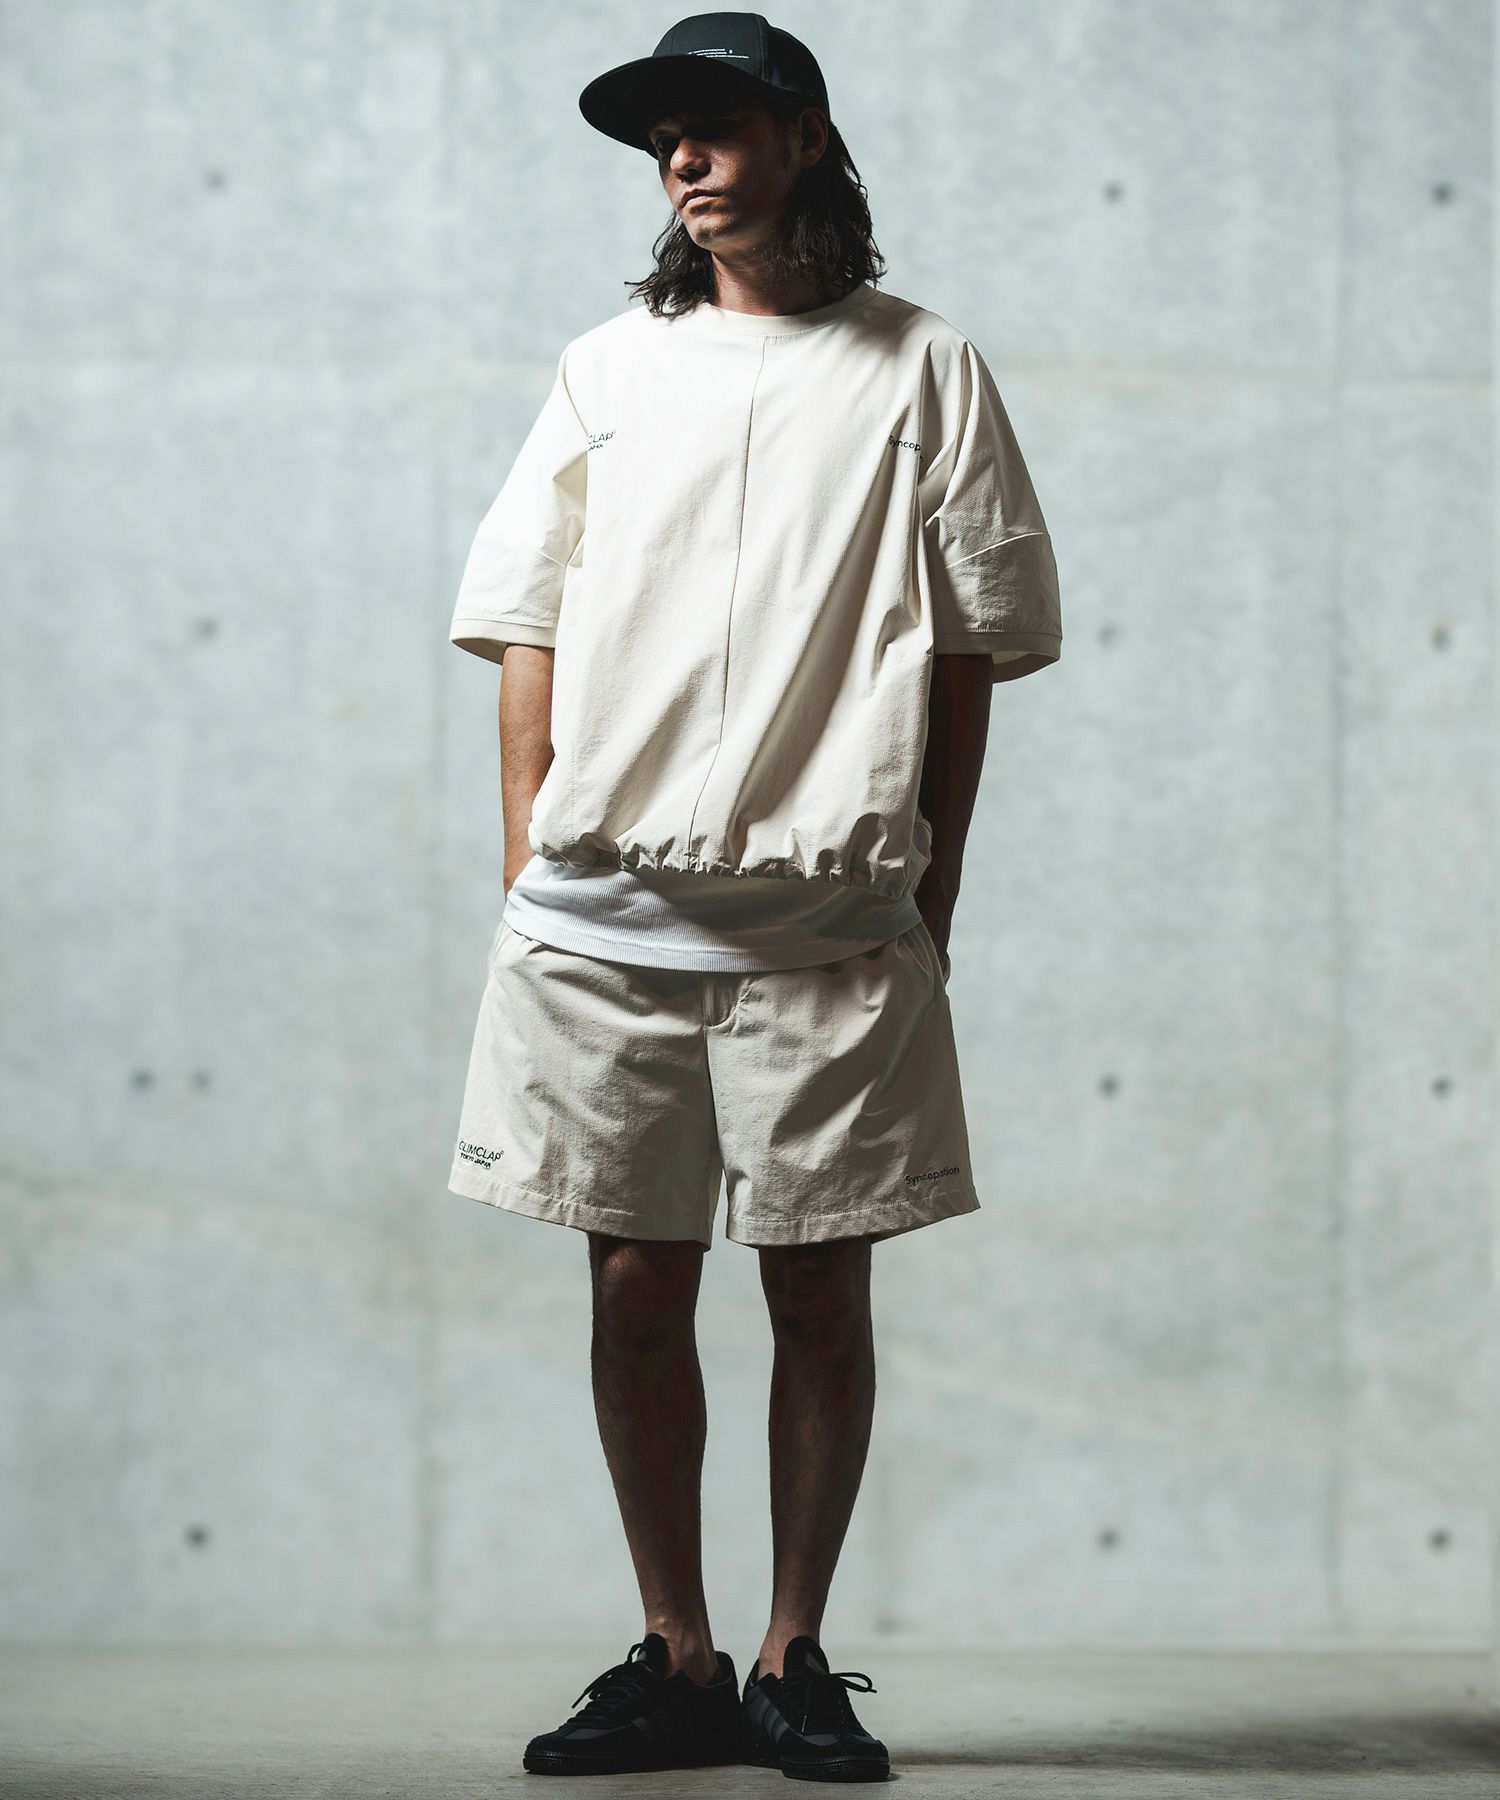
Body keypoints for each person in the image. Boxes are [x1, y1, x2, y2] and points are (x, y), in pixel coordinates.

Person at [445, 10, 1062, 1781]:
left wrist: (937, 880)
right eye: (665, 140)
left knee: (818, 1290)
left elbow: (971, 644)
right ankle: (678, 1651)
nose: (684, 161)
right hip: (601, 924)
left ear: (806, 139)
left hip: (830, 927)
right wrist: (524, 853)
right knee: (635, 1282)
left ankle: (794, 1654)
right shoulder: (607, 368)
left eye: (717, 127)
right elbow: (527, 615)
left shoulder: (923, 367)